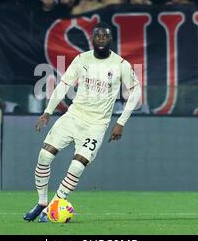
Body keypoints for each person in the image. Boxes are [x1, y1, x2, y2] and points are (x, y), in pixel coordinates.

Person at [23, 22, 142, 222]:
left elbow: (136, 91)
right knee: (44, 155)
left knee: (77, 166)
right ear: (92, 39)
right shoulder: (82, 59)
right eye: (98, 36)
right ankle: (42, 202)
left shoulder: (121, 65)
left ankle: (54, 204)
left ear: (111, 40)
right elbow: (63, 85)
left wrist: (121, 122)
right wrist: (47, 112)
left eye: (105, 36)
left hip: (96, 125)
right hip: (73, 117)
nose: (101, 39)